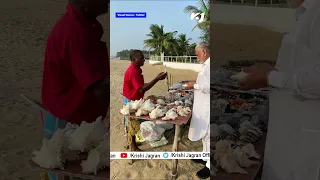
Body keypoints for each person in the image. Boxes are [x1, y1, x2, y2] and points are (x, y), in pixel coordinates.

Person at [238, 0, 320, 179]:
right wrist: (271, 71)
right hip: (288, 135)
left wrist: (270, 77)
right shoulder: (304, 13)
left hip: (304, 143)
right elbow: (302, 68)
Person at [41, 0, 109, 179]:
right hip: (69, 123)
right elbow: (99, 87)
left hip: (75, 116)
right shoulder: (77, 32)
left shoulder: (85, 25)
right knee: (70, 170)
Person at [122, 50, 167, 151]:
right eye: (141, 58)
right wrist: (156, 79)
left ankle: (132, 142)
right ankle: (133, 145)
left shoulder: (136, 69)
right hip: (131, 100)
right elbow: (142, 89)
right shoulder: (133, 71)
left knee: (134, 121)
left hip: (135, 98)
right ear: (134, 60)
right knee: (131, 122)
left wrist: (156, 79)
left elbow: (140, 86)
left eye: (143, 57)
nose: (144, 60)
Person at [185, 42, 210, 179]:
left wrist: (193, 85)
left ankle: (209, 167)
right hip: (202, 106)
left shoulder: (210, 65)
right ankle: (204, 157)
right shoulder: (206, 65)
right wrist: (194, 84)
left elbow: (209, 85)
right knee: (204, 136)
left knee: (208, 135)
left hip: (207, 108)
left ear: (204, 52)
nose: (197, 56)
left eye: (198, 54)